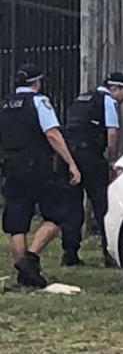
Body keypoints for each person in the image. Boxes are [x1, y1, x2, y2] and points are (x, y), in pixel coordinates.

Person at [0, 63, 81, 288]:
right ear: (36, 82)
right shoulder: (39, 101)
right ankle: (31, 259)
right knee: (56, 215)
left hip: (11, 168)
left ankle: (23, 276)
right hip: (37, 167)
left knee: (16, 225)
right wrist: (71, 163)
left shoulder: (5, 105)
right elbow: (52, 134)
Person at [60, 72, 123, 267]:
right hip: (91, 157)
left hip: (70, 156)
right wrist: (112, 160)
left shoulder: (81, 99)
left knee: (71, 206)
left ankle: (69, 254)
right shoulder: (107, 101)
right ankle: (108, 253)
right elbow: (112, 133)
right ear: (115, 89)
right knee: (103, 205)